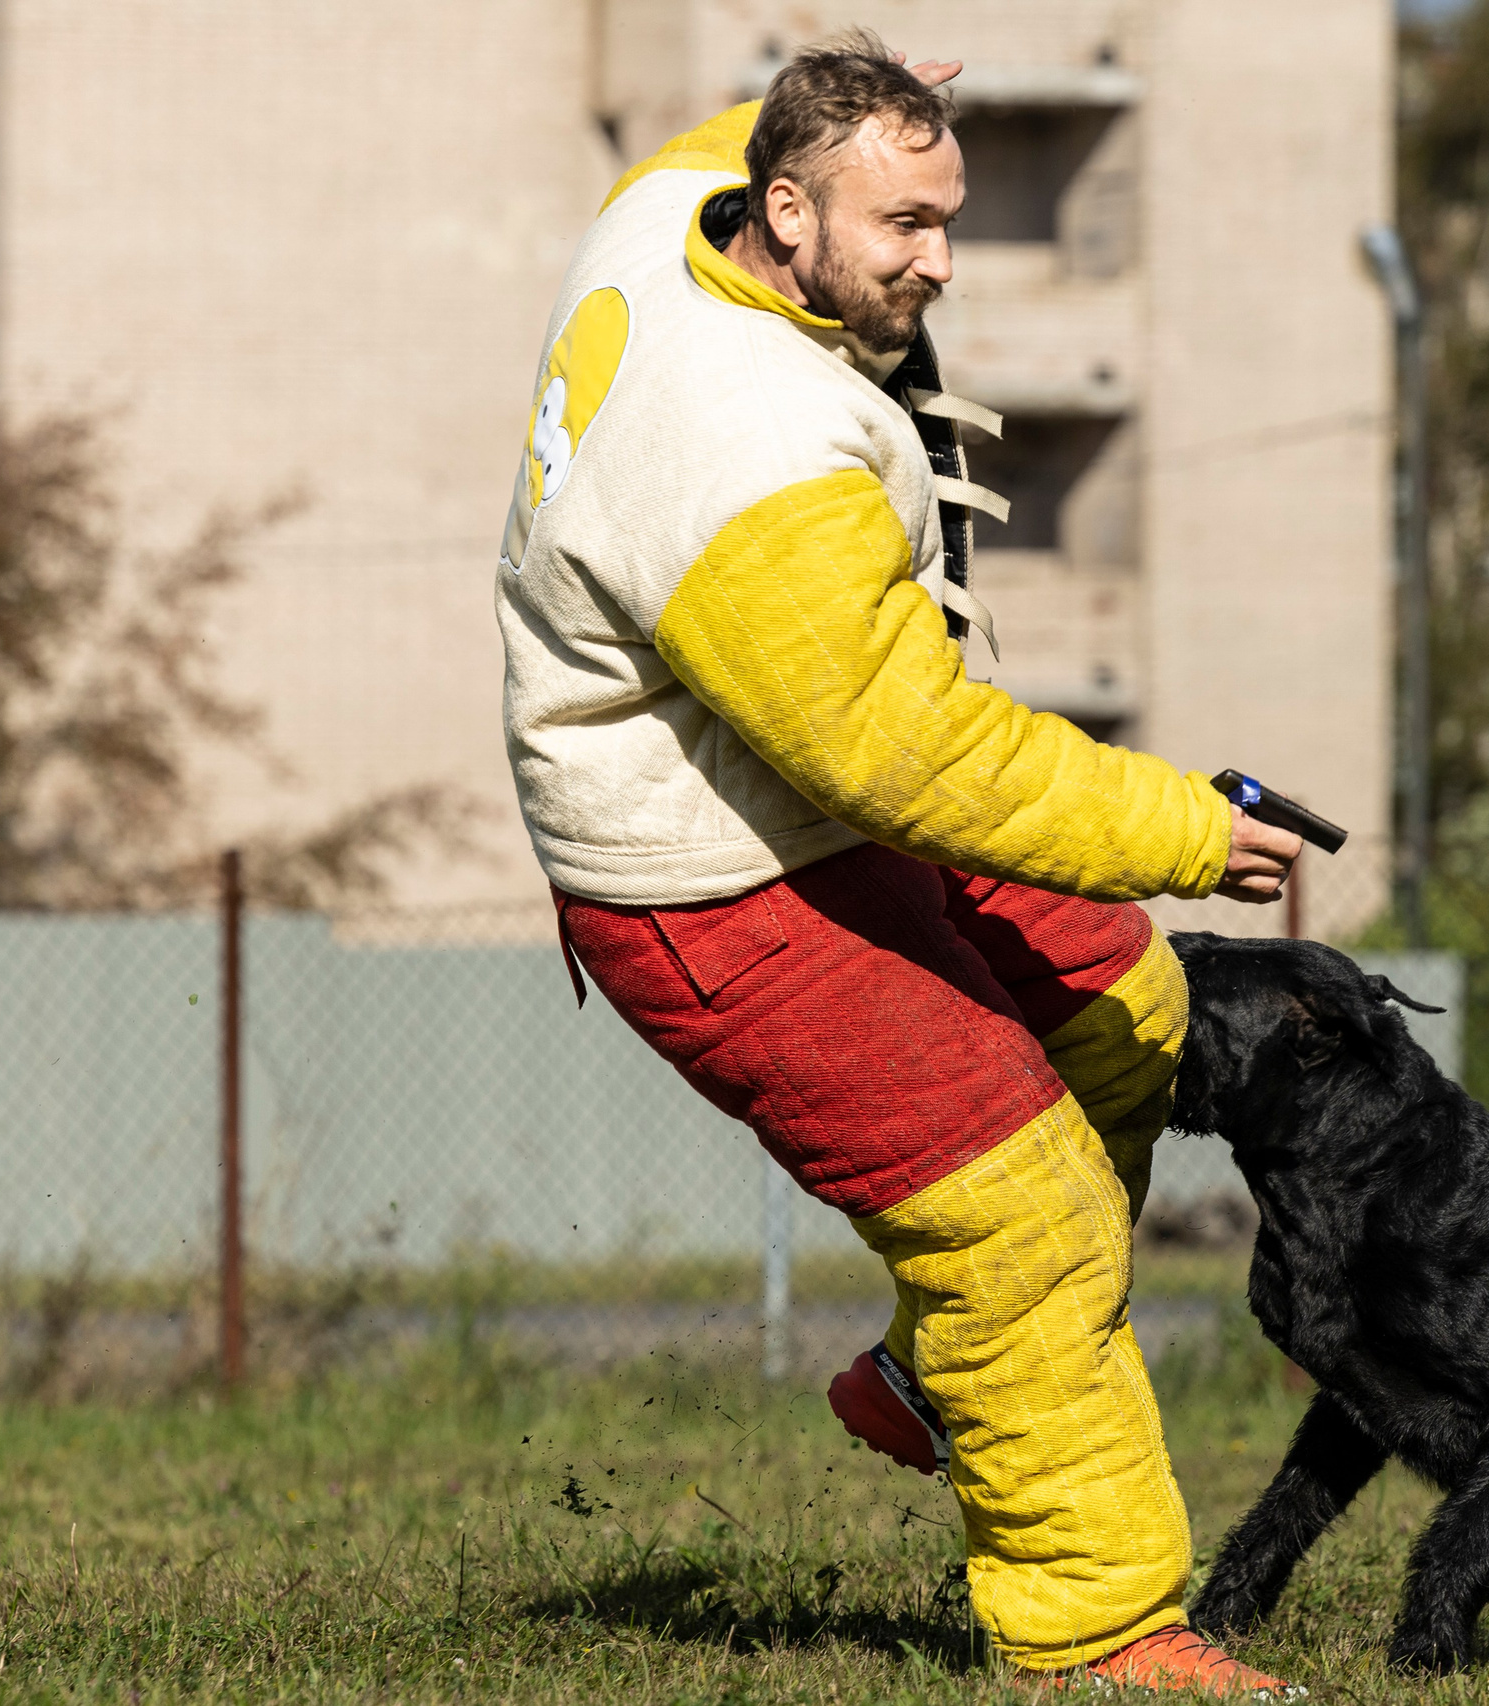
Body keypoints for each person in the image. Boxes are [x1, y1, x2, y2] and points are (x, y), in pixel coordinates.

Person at [495, 29, 1303, 1695]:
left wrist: (868, 100)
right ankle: (1097, 1636)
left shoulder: (678, 205)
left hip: (807, 792)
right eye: (904, 226)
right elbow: (908, 753)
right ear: (790, 215)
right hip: (705, 877)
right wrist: (1181, 829)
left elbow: (718, 134)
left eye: (948, 216)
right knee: (1022, 1216)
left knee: (1129, 1009)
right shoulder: (747, 454)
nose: (938, 263)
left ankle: (939, 1379)